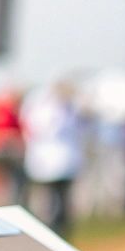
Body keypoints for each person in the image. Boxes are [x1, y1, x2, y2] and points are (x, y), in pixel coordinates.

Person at [20, 80, 85, 237]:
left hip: (62, 165)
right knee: (46, 206)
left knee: (61, 206)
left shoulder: (68, 109)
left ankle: (60, 235)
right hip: (45, 165)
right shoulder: (45, 109)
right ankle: (48, 235)